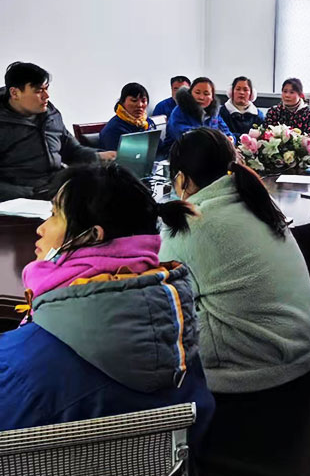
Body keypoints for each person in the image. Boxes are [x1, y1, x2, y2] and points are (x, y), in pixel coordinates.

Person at [0, 164, 214, 447]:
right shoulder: (177, 331)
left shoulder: (22, 365)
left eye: (54, 215)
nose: (41, 228)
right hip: (165, 474)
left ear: (91, 235)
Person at [159, 128, 310, 453]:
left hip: (261, 388)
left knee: (150, 346)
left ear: (181, 179)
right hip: (308, 362)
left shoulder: (193, 225)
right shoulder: (257, 201)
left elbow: (167, 306)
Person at [0, 61, 115, 202]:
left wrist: (100, 157)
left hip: (58, 189)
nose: (46, 96)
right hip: (21, 201)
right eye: (38, 91)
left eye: (46, 89)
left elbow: (72, 151)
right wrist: (31, 194)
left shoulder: (51, 115)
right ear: (15, 93)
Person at [166, 77, 234, 144]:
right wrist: (217, 140)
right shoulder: (180, 111)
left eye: (206, 94)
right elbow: (186, 137)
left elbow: (226, 131)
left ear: (212, 97)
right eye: (197, 93)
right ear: (190, 94)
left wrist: (230, 139)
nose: (201, 97)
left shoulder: (214, 113)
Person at [99, 82, 156, 150]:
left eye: (143, 101)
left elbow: (159, 148)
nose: (140, 105)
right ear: (122, 102)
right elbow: (114, 155)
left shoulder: (149, 123)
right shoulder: (113, 129)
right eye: (134, 101)